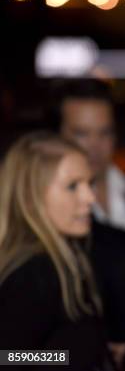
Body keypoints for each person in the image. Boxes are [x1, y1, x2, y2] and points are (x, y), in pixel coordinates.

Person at [52, 79, 125, 367]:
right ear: (55, 137)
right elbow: (14, 356)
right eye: (81, 133)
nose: (94, 146)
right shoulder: (45, 225)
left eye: (104, 133)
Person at [0, 131, 108, 370]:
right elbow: (8, 356)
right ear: (30, 196)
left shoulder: (67, 258)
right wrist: (67, 357)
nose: (89, 197)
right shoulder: (34, 272)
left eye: (89, 183)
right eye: (72, 186)